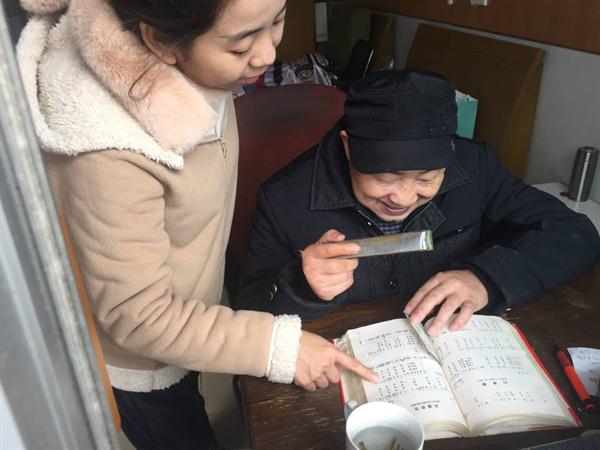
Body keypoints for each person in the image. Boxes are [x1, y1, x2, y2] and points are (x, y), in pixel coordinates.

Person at [16, 0, 377, 448]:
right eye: (241, 44)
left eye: (278, 19)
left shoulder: (200, 64)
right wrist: (277, 348)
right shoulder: (107, 152)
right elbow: (141, 317)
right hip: (141, 363)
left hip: (188, 321)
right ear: (161, 41)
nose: (267, 54)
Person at [235, 70, 600, 336]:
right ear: (348, 146)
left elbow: (573, 234)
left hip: (451, 344)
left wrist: (487, 279)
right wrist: (301, 285)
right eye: (384, 178)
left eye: (427, 179)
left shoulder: (475, 166)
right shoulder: (284, 197)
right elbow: (248, 308)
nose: (404, 198)